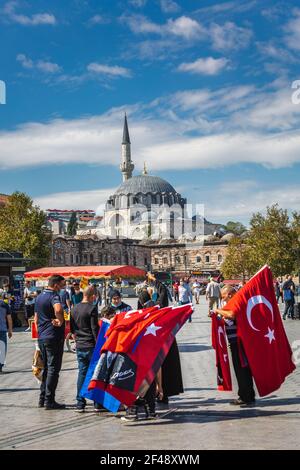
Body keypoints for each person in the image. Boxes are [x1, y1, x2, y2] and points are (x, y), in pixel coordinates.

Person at [215, 285, 256, 407]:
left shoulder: (236, 301)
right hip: (236, 342)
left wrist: (217, 311)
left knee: (242, 369)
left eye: (224, 297)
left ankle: (246, 397)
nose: (223, 300)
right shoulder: (234, 301)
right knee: (241, 370)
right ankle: (245, 394)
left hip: (239, 343)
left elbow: (232, 314)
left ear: (230, 294)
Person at [147, 273, 184, 405]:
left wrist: (153, 280)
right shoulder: (158, 307)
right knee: (163, 368)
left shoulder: (152, 308)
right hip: (164, 340)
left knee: (158, 368)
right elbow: (162, 289)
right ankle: (162, 394)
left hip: (157, 341)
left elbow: (162, 289)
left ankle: (158, 394)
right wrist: (154, 280)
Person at [34, 275, 66, 410]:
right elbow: (58, 309)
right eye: (62, 285)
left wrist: (40, 331)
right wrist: (61, 320)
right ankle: (49, 400)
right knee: (53, 368)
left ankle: (42, 398)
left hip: (42, 336)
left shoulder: (39, 296)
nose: (63, 287)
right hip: (53, 336)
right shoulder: (54, 296)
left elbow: (35, 318)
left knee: (46, 367)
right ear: (56, 285)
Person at [70, 285, 101, 412]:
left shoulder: (74, 309)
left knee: (82, 373)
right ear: (92, 296)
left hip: (80, 345)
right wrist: (99, 345)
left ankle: (80, 402)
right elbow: (95, 329)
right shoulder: (92, 308)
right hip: (91, 345)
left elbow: (72, 330)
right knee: (95, 374)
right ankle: (97, 402)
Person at [0, 294, 13, 373]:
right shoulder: (4, 304)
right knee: (2, 348)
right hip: (2, 329)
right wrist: (10, 330)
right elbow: (9, 319)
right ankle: (0, 366)